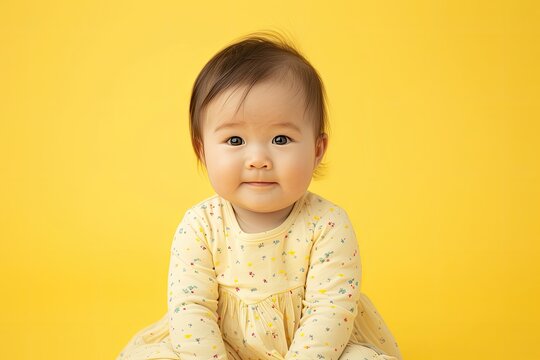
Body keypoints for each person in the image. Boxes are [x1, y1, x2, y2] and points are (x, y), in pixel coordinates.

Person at [117, 31, 402, 360]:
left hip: (315, 349)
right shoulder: (200, 226)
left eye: (281, 139)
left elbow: (330, 312)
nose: (258, 159)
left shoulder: (328, 225)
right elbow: (191, 310)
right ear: (203, 150)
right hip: (218, 348)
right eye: (235, 141)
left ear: (317, 150)